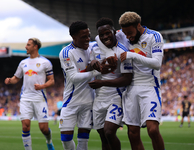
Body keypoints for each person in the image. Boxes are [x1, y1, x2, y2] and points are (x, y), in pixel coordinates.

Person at [117, 12, 165, 150]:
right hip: (130, 88)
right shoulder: (122, 34)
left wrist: (132, 55)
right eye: (125, 33)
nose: (127, 36)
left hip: (150, 86)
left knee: (153, 130)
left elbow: (156, 63)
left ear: (138, 25)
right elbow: (102, 36)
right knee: (132, 134)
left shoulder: (154, 36)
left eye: (130, 32)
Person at [88, 17, 133, 150]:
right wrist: (93, 64)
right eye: (101, 35)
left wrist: (102, 82)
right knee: (103, 136)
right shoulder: (95, 47)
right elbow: (90, 66)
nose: (105, 36)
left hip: (116, 97)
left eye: (107, 33)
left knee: (109, 131)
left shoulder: (122, 51)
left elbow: (127, 78)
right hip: (99, 97)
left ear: (114, 31)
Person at [4, 38, 55, 150]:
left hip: (39, 98)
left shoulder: (45, 62)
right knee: (25, 126)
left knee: (44, 129)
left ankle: (49, 141)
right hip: (25, 98)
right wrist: (9, 80)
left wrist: (42, 86)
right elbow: (16, 78)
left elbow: (52, 80)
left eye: (28, 45)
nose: (26, 47)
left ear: (35, 46)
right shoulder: (23, 63)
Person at [59, 21, 101, 150]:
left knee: (83, 140)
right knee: (66, 139)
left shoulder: (92, 47)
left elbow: (105, 39)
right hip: (71, 101)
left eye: (88, 35)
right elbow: (73, 77)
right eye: (84, 37)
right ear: (74, 37)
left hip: (89, 101)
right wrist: (96, 71)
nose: (88, 39)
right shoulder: (66, 53)